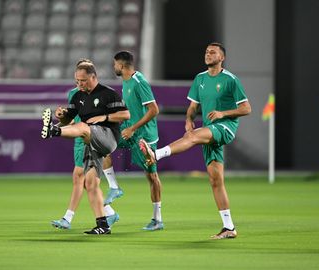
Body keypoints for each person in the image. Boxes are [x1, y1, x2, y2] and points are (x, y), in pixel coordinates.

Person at [139, 42, 251, 239]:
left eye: (213, 52)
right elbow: (193, 106)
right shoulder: (200, 79)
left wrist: (223, 113)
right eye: (206, 52)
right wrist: (188, 120)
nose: (208, 54)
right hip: (209, 128)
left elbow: (246, 108)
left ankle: (156, 154)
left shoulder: (230, 80)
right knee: (215, 180)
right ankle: (229, 227)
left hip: (225, 127)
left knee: (192, 137)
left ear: (222, 57)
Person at [42, 63, 130, 234]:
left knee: (82, 126)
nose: (79, 84)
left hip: (108, 137)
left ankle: (53, 131)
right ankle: (103, 225)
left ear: (93, 77)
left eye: (82, 80)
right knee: (90, 183)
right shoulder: (77, 97)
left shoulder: (108, 93)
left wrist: (104, 116)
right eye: (77, 81)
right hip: (92, 142)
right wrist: (61, 116)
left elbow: (125, 114)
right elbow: (69, 119)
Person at [109, 51, 164, 230]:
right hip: (130, 132)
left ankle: (157, 219)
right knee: (103, 145)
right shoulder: (126, 82)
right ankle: (113, 187)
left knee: (151, 176)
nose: (114, 67)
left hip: (145, 136)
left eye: (115, 64)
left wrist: (132, 128)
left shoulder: (139, 82)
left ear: (122, 66)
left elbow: (154, 110)